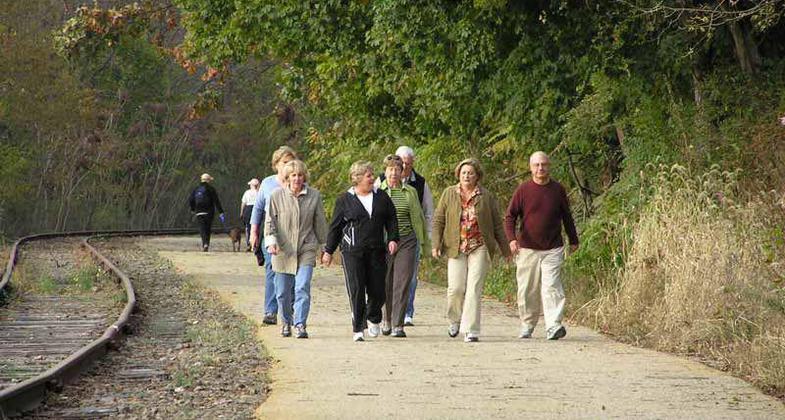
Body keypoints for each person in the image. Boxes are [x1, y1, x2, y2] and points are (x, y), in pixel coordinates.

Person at [432, 158, 511, 343]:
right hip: (455, 246)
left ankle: (471, 329)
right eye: (464, 173)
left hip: (479, 245)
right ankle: (454, 319)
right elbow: (438, 220)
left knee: (474, 287)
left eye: (470, 173)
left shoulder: (486, 196)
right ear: (458, 175)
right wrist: (436, 244)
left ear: (477, 176)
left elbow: (497, 225)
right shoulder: (449, 193)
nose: (467, 176)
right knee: (456, 288)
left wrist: (506, 250)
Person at [504, 151, 579, 340]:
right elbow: (510, 216)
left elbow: (567, 216)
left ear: (549, 166)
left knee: (552, 286)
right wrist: (512, 239)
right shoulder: (523, 190)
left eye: (544, 164)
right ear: (530, 168)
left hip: (553, 247)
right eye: (536, 165)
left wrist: (573, 240)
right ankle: (527, 323)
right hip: (527, 248)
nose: (540, 168)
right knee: (527, 288)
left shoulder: (558, 190)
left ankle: (553, 325)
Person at [322, 161, 399, 342]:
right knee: (356, 289)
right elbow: (335, 228)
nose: (372, 178)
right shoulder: (344, 200)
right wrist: (328, 251)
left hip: (377, 250)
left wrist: (393, 238)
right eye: (368, 175)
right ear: (357, 178)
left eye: (372, 175)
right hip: (352, 252)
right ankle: (358, 327)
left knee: (378, 290)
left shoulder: (381, 197)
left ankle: (373, 316)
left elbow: (392, 219)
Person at [265, 160, 327, 339]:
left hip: (306, 247)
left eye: (300, 175)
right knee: (282, 293)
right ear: (287, 177)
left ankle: (300, 324)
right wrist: (271, 242)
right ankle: (286, 322)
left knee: (302, 287)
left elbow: (320, 223)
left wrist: (325, 247)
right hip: (283, 249)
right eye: (293, 175)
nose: (297, 179)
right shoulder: (276, 196)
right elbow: (270, 222)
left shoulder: (314, 196)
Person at [376, 146, 434, 327]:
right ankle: (386, 318)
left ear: (402, 172)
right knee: (386, 281)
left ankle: (398, 323)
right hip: (383, 240)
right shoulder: (377, 191)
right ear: (385, 172)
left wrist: (426, 239)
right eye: (390, 170)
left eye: (397, 170)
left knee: (403, 281)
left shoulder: (411, 191)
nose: (394, 173)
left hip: (407, 239)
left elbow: (422, 215)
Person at [250, 146, 299, 325]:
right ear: (276, 164)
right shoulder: (267, 183)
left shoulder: (298, 183)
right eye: (284, 162)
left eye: (291, 162)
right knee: (272, 269)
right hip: (271, 233)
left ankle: (290, 308)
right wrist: (254, 232)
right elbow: (257, 209)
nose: (288, 166)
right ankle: (270, 311)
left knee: (291, 271)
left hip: (293, 234)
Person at [188, 173, 225, 252]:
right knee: (208, 228)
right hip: (209, 212)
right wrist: (221, 212)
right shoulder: (211, 189)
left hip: (199, 211)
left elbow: (191, 199)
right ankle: (206, 243)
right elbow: (216, 201)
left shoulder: (196, 189)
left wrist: (193, 209)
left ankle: (204, 243)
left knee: (202, 228)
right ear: (208, 180)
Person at [241, 178, 260, 252]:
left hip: (248, 209)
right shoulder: (259, 192)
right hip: (257, 209)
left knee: (248, 227)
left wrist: (241, 212)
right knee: (257, 227)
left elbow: (243, 203)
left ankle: (249, 244)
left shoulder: (247, 192)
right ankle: (256, 244)